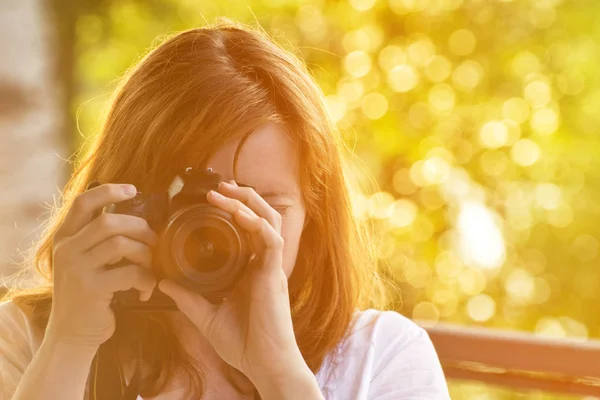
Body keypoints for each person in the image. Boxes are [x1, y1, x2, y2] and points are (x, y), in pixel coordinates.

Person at [0, 19, 451, 400]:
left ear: (313, 216)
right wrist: (70, 343)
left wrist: (279, 375)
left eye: (260, 209)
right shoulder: (28, 338)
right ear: (123, 200)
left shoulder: (380, 357)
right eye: (190, 206)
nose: (218, 235)